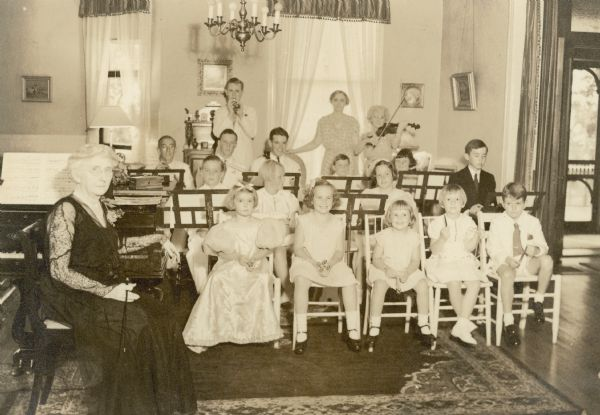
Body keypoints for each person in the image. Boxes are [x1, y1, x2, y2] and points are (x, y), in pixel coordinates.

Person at [41, 144, 196, 415]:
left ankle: (163, 407)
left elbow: (115, 246)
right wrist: (106, 291)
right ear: (78, 175)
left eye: (107, 171)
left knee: (163, 316)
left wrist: (159, 237)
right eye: (95, 170)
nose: (104, 177)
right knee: (135, 325)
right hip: (72, 294)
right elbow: (59, 271)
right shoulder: (65, 210)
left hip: (104, 286)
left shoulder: (99, 205)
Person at [183, 182, 283, 352]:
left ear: (255, 203)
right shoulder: (226, 226)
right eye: (241, 201)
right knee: (217, 279)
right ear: (233, 203)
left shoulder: (261, 224)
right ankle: (213, 331)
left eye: (249, 201)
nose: (245, 205)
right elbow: (219, 252)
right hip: (231, 262)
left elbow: (267, 249)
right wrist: (237, 257)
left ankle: (255, 331)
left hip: (256, 263)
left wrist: (254, 258)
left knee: (260, 279)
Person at [290, 179, 361, 354]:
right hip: (306, 261)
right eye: (319, 198)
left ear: (334, 200)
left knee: (350, 282)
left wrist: (329, 264)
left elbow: (339, 251)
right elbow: (297, 248)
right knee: (301, 280)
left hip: (331, 262)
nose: (324, 202)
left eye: (328, 198)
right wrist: (314, 263)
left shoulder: (338, 221)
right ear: (311, 199)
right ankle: (301, 331)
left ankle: (353, 330)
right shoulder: (304, 220)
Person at [487, 182, 553, 347]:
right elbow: (492, 248)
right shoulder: (497, 222)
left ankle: (538, 301)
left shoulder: (532, 221)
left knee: (547, 260)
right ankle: (509, 322)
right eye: (509, 204)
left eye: (518, 204)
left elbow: (544, 246)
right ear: (503, 203)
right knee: (508, 274)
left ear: (525, 203)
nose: (513, 208)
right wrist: (507, 258)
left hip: (526, 262)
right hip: (503, 262)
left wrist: (536, 250)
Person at [365, 200, 435, 352]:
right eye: (395, 215)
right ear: (389, 218)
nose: (399, 218)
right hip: (385, 269)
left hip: (406, 269)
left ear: (411, 219)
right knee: (380, 285)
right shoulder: (383, 235)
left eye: (404, 215)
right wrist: (386, 269)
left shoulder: (414, 236)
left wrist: (408, 272)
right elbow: (376, 258)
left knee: (422, 284)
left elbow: (416, 260)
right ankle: (375, 325)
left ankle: (423, 323)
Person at [426, 184, 482, 346]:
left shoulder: (468, 221)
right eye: (448, 199)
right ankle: (463, 325)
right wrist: (442, 238)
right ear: (442, 203)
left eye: (457, 200)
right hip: (444, 260)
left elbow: (469, 248)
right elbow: (434, 250)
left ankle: (461, 323)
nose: (453, 203)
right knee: (454, 282)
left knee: (475, 282)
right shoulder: (437, 223)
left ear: (463, 203)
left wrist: (475, 236)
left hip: (463, 259)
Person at [253, 160, 300, 303]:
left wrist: (293, 220)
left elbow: (296, 222)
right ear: (268, 178)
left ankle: (293, 292)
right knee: (278, 249)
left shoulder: (289, 198)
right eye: (280, 177)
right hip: (264, 241)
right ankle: (291, 293)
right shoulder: (256, 197)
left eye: (283, 176)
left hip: (287, 239)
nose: (283, 180)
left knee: (286, 247)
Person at [185, 155, 229, 293]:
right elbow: (188, 222)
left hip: (224, 235)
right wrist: (199, 229)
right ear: (201, 172)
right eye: (207, 170)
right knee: (197, 252)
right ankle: (203, 293)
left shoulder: (229, 195)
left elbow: (232, 220)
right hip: (201, 235)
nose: (211, 174)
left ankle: (222, 292)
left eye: (215, 171)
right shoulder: (194, 195)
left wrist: (216, 231)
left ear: (222, 174)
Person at [289, 90, 360, 175]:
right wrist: (295, 151)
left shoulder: (353, 122)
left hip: (347, 160)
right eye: (336, 100)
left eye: (342, 100)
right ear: (331, 101)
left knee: (346, 186)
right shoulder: (323, 121)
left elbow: (356, 147)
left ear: (346, 102)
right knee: (327, 185)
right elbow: (315, 143)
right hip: (329, 159)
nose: (338, 103)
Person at [212, 77, 257, 169]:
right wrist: (230, 114)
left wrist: (241, 116)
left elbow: (252, 133)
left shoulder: (251, 111)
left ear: (242, 92)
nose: (234, 94)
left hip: (243, 158)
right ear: (226, 92)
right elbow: (217, 134)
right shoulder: (219, 112)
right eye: (231, 90)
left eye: (237, 91)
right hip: (223, 157)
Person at [448, 139, 496, 215]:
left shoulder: (490, 178)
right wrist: (469, 211)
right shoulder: (456, 177)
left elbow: (492, 203)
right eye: (476, 156)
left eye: (484, 156)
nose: (481, 159)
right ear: (467, 156)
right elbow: (450, 206)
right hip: (463, 221)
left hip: (483, 222)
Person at [358, 105, 401, 175]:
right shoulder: (365, 136)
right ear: (370, 119)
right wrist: (367, 141)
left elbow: (395, 145)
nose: (378, 120)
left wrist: (400, 130)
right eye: (375, 117)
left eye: (382, 117)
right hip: (370, 171)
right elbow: (356, 151)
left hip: (386, 170)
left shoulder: (389, 136)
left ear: (385, 120)